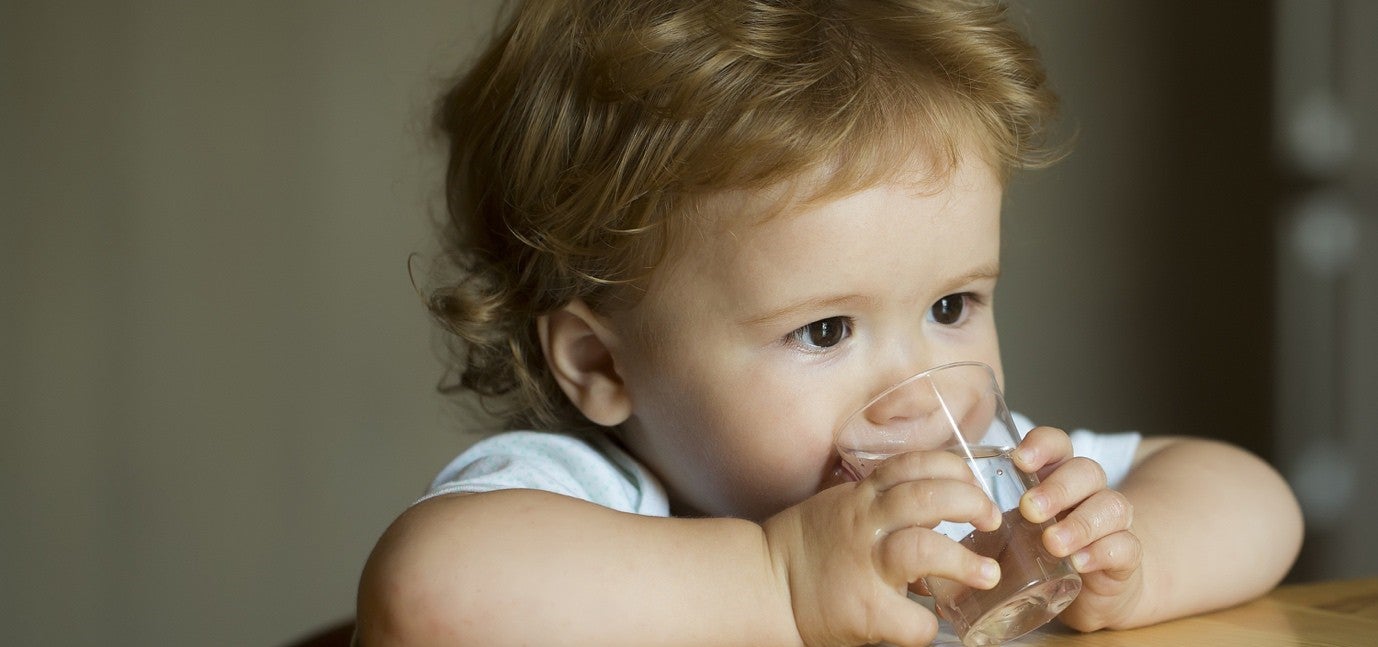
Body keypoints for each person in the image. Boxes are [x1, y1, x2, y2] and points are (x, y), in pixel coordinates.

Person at [356, 1, 1303, 645]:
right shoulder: (588, 500)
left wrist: (1127, 564)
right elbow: (427, 592)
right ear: (604, 364)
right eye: (825, 331)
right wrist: (777, 581)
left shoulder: (977, 510)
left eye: (950, 306)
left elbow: (1257, 496)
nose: (913, 390)